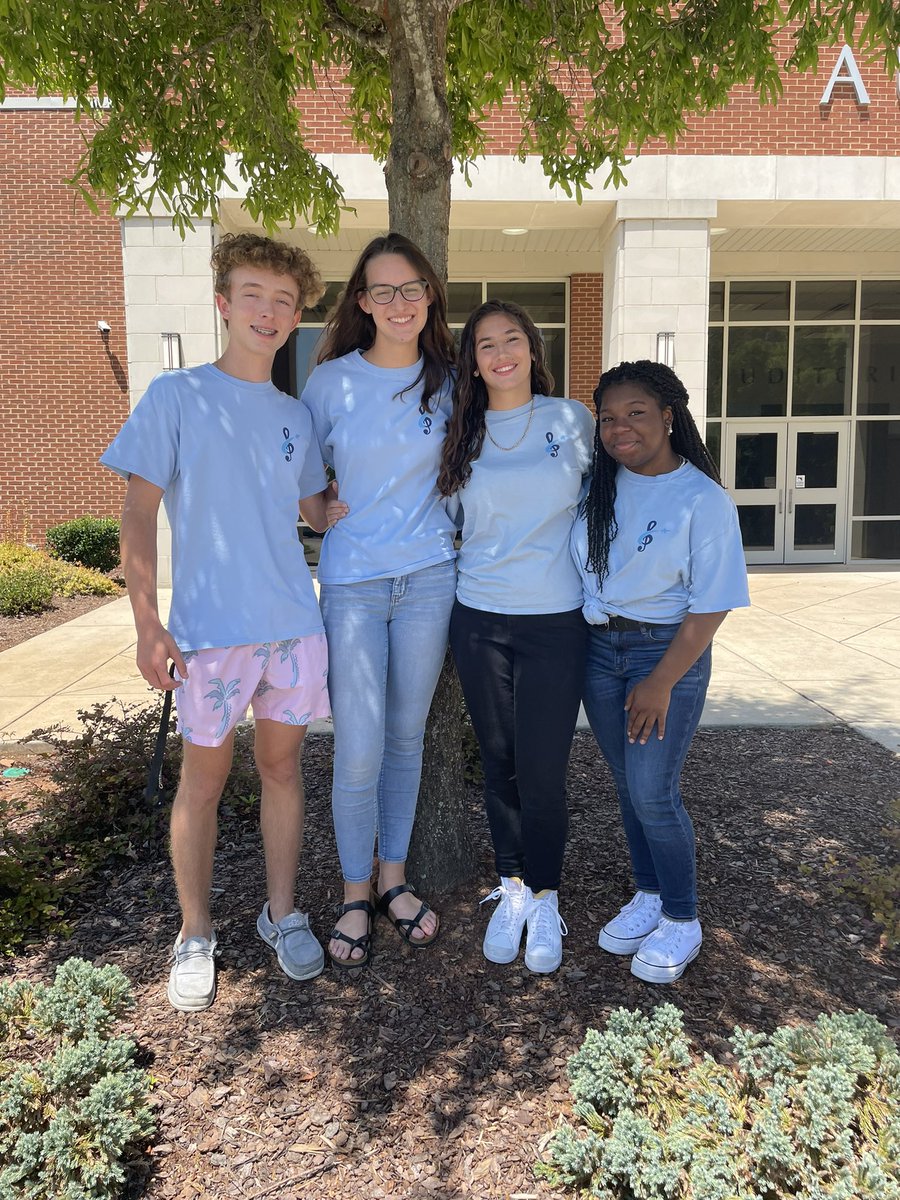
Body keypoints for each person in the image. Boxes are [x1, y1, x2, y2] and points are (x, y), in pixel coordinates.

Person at [101, 232, 333, 1012]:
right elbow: (136, 514)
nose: (269, 312)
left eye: (285, 301)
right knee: (201, 787)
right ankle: (195, 932)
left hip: (294, 629)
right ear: (223, 302)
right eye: (254, 296)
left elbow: (311, 509)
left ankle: (281, 913)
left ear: (297, 316)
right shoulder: (177, 396)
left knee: (281, 772)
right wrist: (146, 623)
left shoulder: (295, 413)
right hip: (207, 634)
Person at [300, 233, 457, 970]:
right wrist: (318, 510)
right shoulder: (329, 380)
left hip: (431, 579)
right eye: (383, 291)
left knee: (405, 740)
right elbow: (299, 476)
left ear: (430, 297)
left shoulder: (453, 381)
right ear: (362, 302)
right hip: (355, 584)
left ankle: (394, 880)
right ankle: (354, 892)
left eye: (412, 289)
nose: (400, 304)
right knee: (357, 750)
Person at [573, 359, 750, 984]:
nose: (621, 429)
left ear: (669, 417)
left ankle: (682, 916)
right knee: (627, 786)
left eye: (636, 414)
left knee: (653, 790)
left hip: (662, 655)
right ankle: (648, 893)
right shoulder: (599, 483)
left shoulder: (702, 498)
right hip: (599, 652)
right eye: (609, 418)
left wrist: (661, 681)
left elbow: (712, 604)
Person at [438, 300, 594, 975]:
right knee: (497, 762)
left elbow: (607, 506)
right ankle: (513, 889)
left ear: (533, 348)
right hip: (479, 619)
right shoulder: (460, 432)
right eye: (484, 345)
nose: (500, 354)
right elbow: (444, 520)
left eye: (512, 340)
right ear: (471, 361)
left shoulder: (569, 421)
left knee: (542, 770)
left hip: (556, 620)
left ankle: (547, 896)